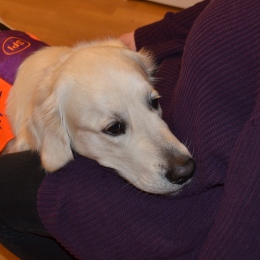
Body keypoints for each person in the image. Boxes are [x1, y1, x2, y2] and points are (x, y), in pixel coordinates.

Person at [1, 0, 260, 259]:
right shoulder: (61, 105)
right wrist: (146, 35)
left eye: (152, 101)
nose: (180, 162)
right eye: (114, 127)